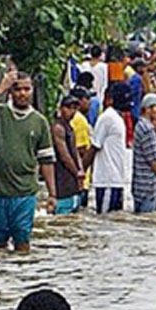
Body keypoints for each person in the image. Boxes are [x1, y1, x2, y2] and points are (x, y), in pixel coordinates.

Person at [0, 68, 57, 251]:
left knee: (22, 240)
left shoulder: (39, 122)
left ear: (32, 90)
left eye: (26, 89)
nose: (22, 94)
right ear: (11, 92)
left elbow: (46, 160)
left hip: (24, 192)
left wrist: (52, 194)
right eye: (17, 89)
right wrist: (1, 88)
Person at [89, 83, 128, 214]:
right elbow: (94, 147)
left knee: (113, 221)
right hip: (107, 180)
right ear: (108, 99)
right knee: (105, 220)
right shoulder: (107, 117)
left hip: (116, 180)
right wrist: (81, 172)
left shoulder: (115, 117)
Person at [51, 95, 84, 215]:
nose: (72, 111)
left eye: (75, 108)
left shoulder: (70, 128)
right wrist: (77, 173)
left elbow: (75, 152)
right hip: (61, 183)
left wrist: (80, 171)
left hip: (72, 184)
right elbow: (64, 156)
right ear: (61, 108)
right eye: (69, 108)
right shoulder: (57, 128)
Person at [69, 87, 94, 207]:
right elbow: (82, 150)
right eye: (87, 98)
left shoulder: (70, 118)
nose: (90, 102)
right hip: (81, 180)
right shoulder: (80, 120)